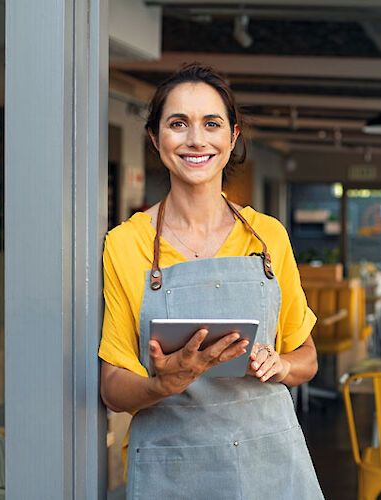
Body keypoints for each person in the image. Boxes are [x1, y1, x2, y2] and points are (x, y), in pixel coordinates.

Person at [98, 64, 323, 499]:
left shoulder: (268, 236)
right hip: (174, 469)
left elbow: (307, 356)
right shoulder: (126, 244)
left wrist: (282, 365)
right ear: (154, 137)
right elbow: (112, 388)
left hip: (268, 463)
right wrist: (162, 383)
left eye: (211, 124)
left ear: (232, 137)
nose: (196, 139)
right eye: (177, 123)